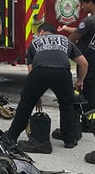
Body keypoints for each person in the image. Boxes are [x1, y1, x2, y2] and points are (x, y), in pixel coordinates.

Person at [6, 22, 88, 153]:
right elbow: (84, 63)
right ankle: (69, 140)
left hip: (40, 71)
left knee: (26, 104)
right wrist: (80, 80)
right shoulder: (65, 41)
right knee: (66, 105)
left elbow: (31, 71)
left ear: (41, 32)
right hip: (62, 72)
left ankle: (12, 135)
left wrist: (35, 95)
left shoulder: (34, 43)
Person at [58, 0, 95, 110]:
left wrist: (62, 52)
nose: (81, 7)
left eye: (83, 4)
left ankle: (89, 116)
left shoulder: (89, 20)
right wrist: (66, 28)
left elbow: (73, 38)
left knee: (88, 91)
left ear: (90, 3)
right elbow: (81, 31)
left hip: (87, 58)